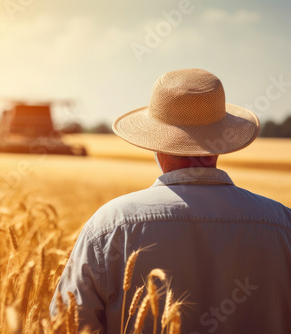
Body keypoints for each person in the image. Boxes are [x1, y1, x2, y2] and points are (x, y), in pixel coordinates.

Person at [50, 69, 291, 333]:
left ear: (156, 143)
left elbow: (66, 325)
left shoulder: (110, 226)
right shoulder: (283, 223)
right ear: (223, 141)